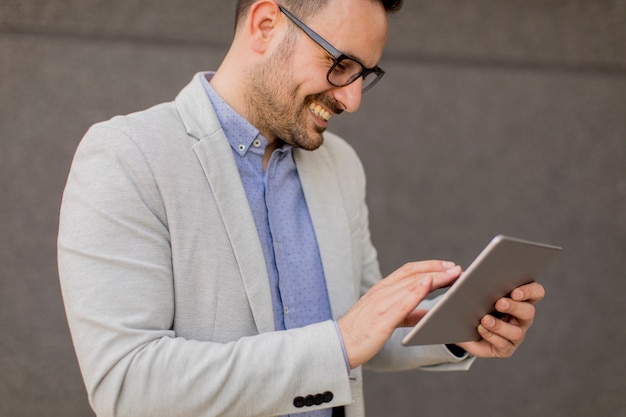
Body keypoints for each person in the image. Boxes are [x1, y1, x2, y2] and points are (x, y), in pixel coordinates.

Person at [57, 0, 546, 416]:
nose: (352, 99)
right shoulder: (127, 155)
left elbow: (364, 321)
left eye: (365, 75)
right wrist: (338, 343)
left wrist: (463, 326)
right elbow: (126, 384)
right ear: (266, 25)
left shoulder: (341, 166)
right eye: (340, 64)